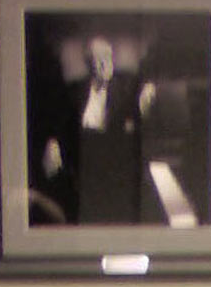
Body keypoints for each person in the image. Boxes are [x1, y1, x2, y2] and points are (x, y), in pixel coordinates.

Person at [35, 33, 155, 225]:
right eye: (98, 60)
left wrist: (147, 93)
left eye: (107, 58)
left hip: (111, 159)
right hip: (80, 160)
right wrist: (52, 141)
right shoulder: (76, 90)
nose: (104, 64)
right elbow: (58, 120)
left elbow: (146, 86)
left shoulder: (126, 86)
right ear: (88, 63)